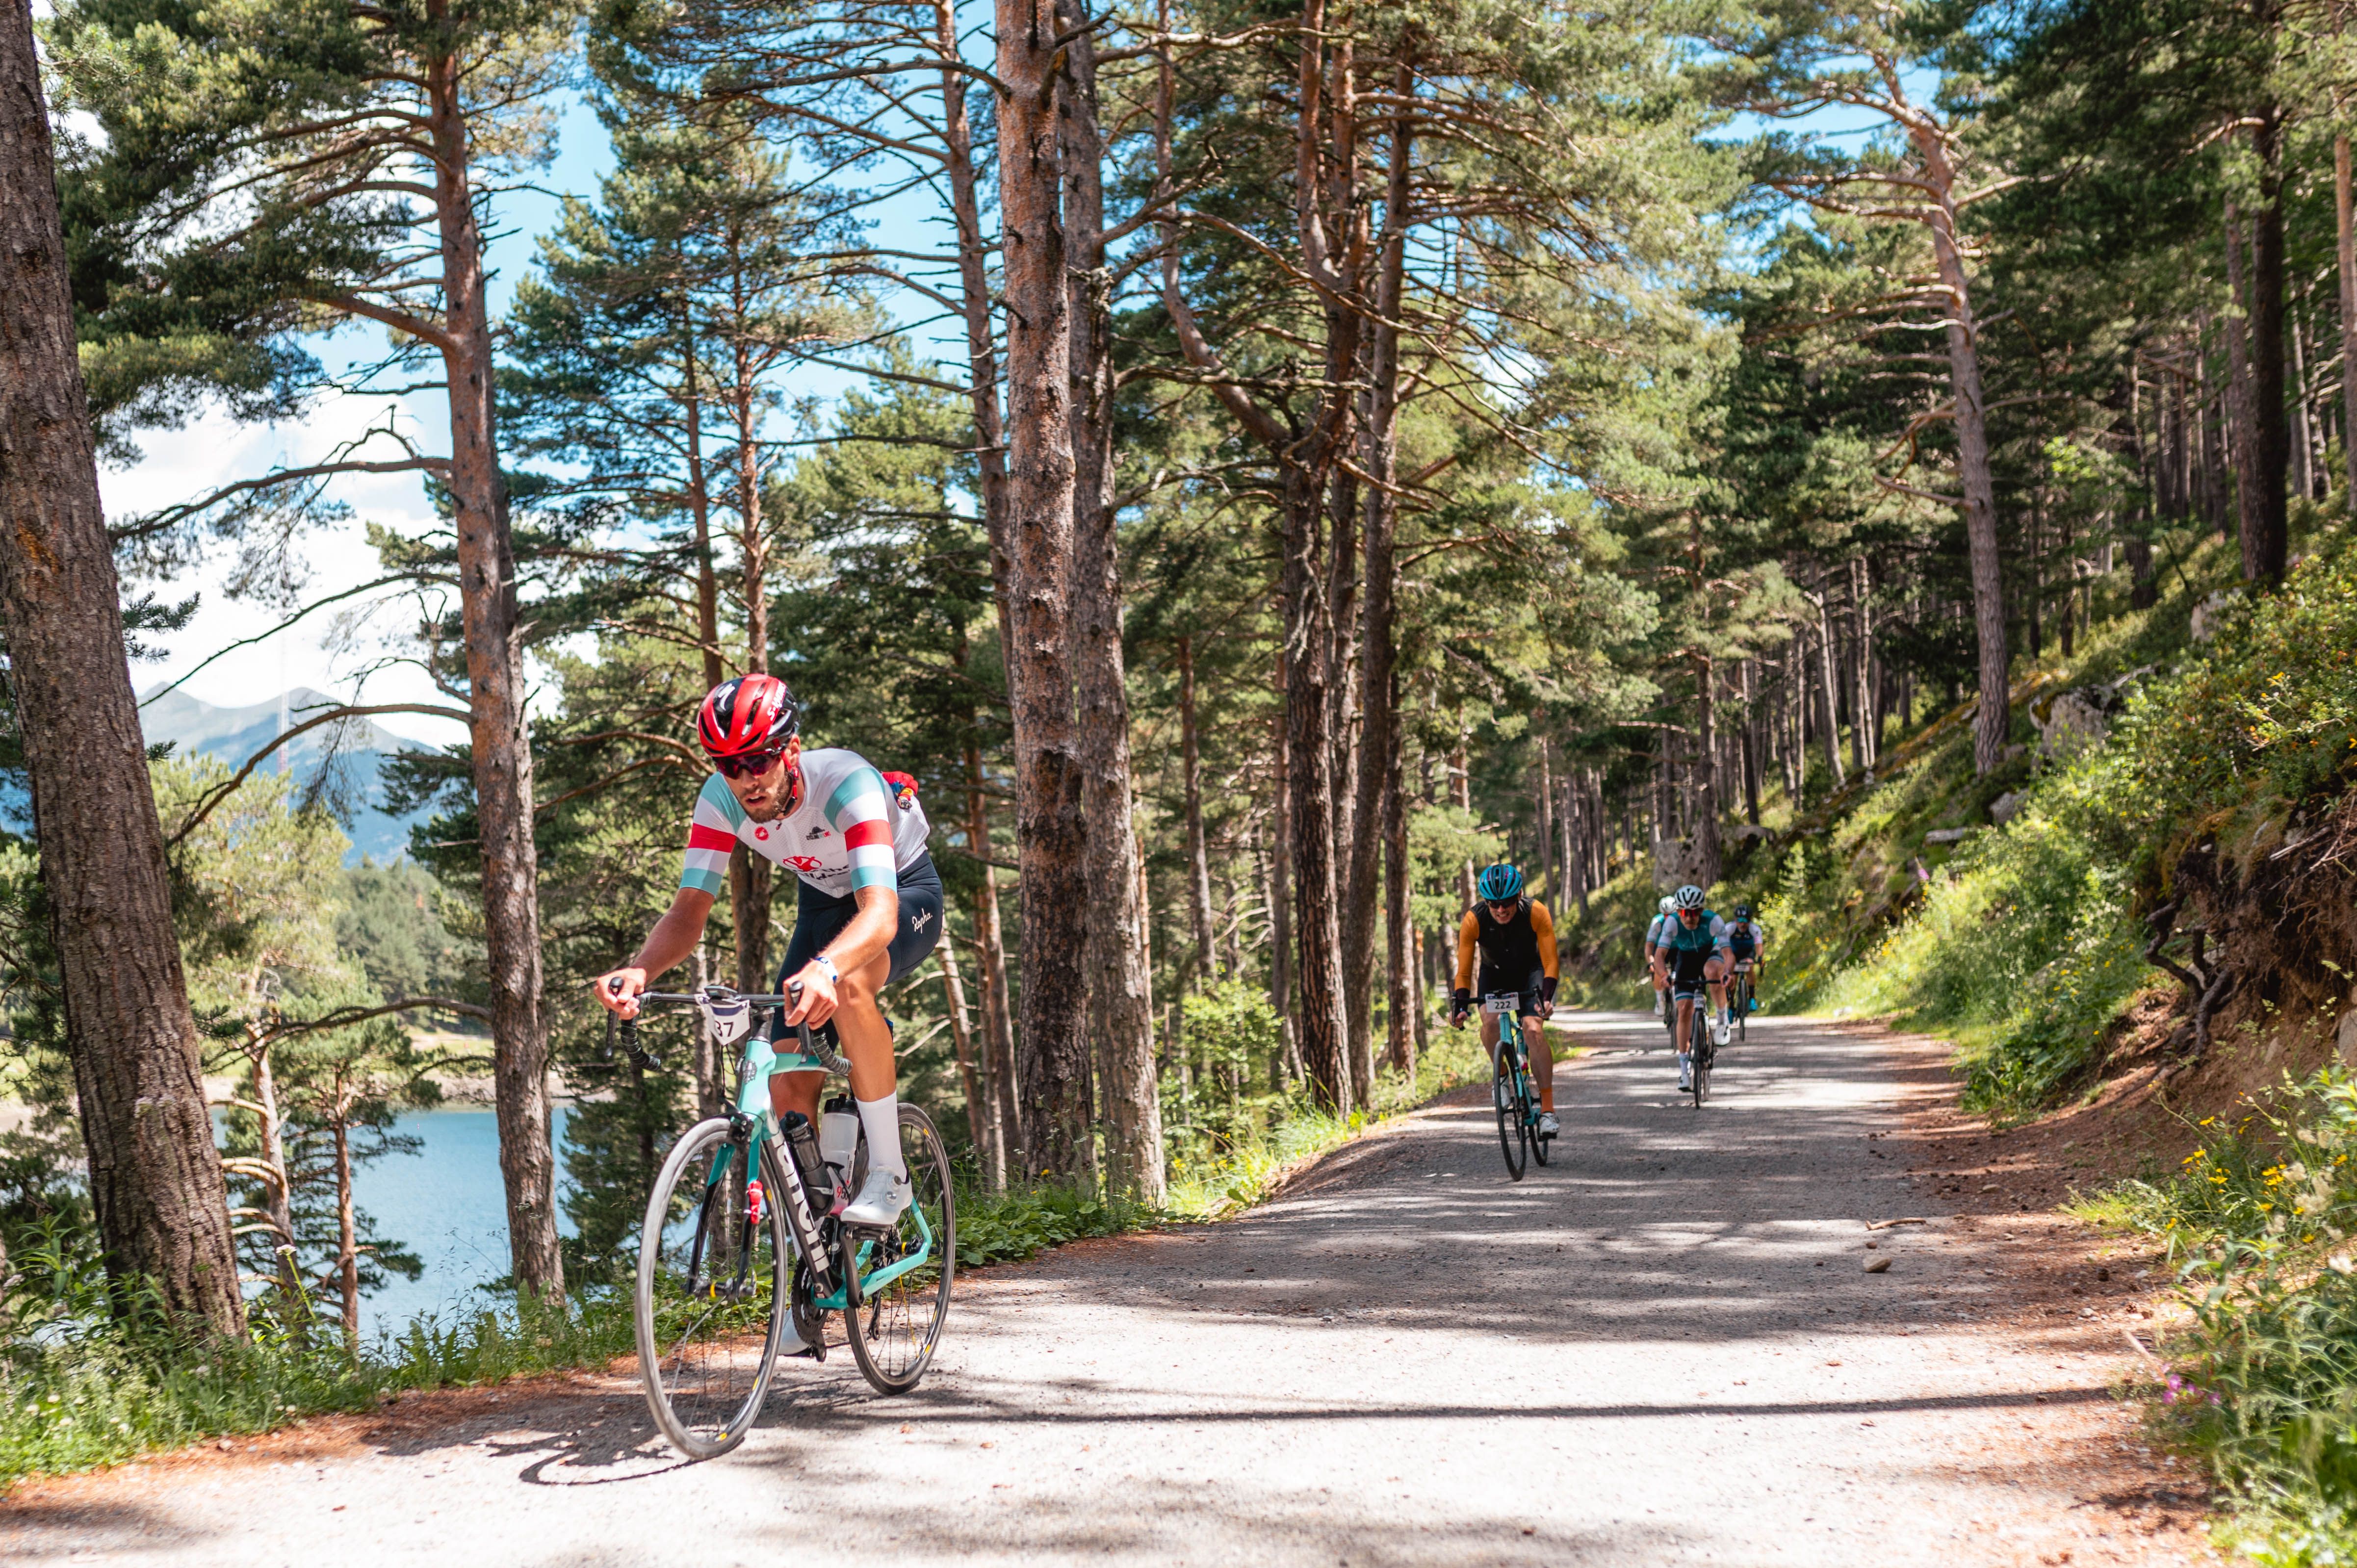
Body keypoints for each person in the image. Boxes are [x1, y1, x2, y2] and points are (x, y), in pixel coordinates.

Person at [592, 674, 942, 1228]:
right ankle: (818, 1240)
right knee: (785, 1069)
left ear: (792, 750)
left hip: (900, 889)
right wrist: (640, 969)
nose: (746, 779)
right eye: (728, 764)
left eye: (759, 760)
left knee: (848, 987)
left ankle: (890, 1175)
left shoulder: (846, 782)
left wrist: (827, 967)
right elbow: (688, 912)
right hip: (824, 902)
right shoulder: (720, 799)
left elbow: (878, 914)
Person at [1449, 863, 1562, 1138]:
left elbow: (1550, 961)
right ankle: (1501, 1078)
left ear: (1519, 895)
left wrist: (1546, 999)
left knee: (1533, 1030)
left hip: (1530, 974)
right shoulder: (1474, 920)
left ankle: (1547, 1111)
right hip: (1494, 976)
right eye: (1494, 904)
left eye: (1508, 903)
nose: (1501, 910)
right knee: (1488, 1023)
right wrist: (1460, 1006)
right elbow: (1464, 971)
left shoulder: (1536, 912)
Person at [1649, 884, 1731, 1091]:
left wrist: (1727, 972)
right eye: (1685, 912)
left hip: (1709, 953)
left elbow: (1728, 953)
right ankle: (1684, 1071)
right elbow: (1659, 955)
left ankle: (1722, 1018)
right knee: (1684, 1009)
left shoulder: (1714, 921)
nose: (1689, 917)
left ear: (1701, 911)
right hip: (1686, 958)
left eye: (1694, 912)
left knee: (1713, 971)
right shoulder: (1672, 924)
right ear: (1678, 912)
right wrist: (1664, 975)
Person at [1724, 902, 1768, 1009]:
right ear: (1735, 920)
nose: (1743, 924)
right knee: (1733, 977)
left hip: (1748, 952)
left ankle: (1752, 998)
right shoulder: (1729, 928)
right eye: (1740, 920)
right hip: (1733, 953)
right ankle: (1731, 1005)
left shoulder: (1755, 929)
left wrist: (1760, 958)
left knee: (1750, 967)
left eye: (1746, 920)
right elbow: (1723, 946)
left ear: (1750, 920)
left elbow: (1759, 946)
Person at [1643, 894, 1676, 1019]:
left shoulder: (1682, 921)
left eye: (1672, 915)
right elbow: (1649, 946)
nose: (1669, 919)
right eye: (1666, 916)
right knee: (1656, 968)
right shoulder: (1657, 923)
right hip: (1661, 950)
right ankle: (1660, 999)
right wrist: (1651, 962)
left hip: (1677, 950)